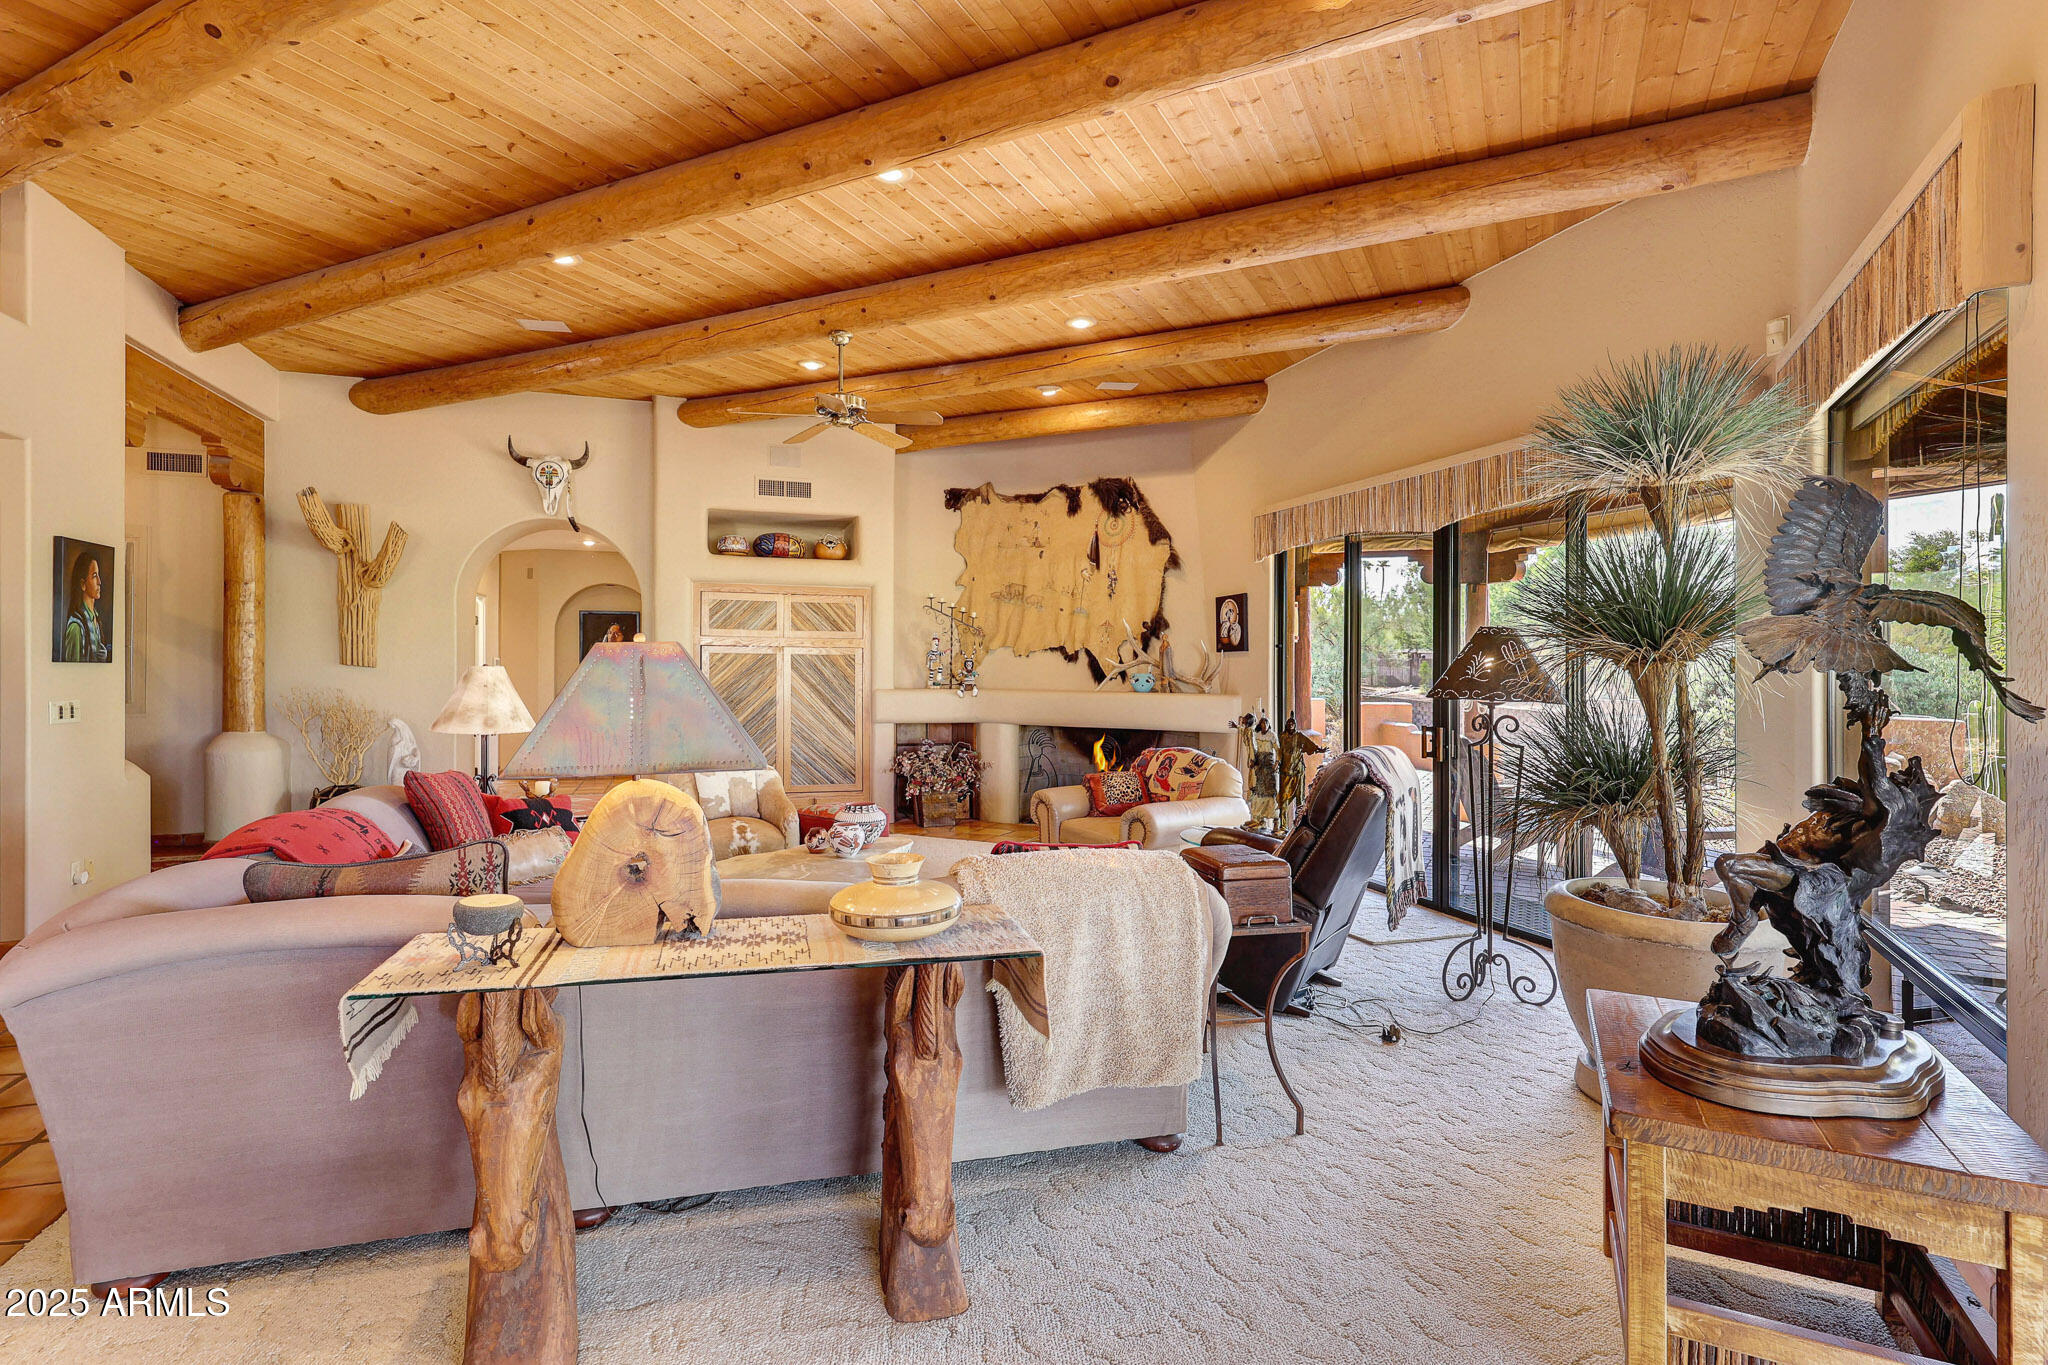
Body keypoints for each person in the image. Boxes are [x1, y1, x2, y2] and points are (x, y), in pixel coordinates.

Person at [61, 551, 110, 663]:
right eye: (94, 576)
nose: (99, 582)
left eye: (98, 575)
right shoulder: (76, 627)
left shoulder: (96, 621)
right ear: (83, 584)